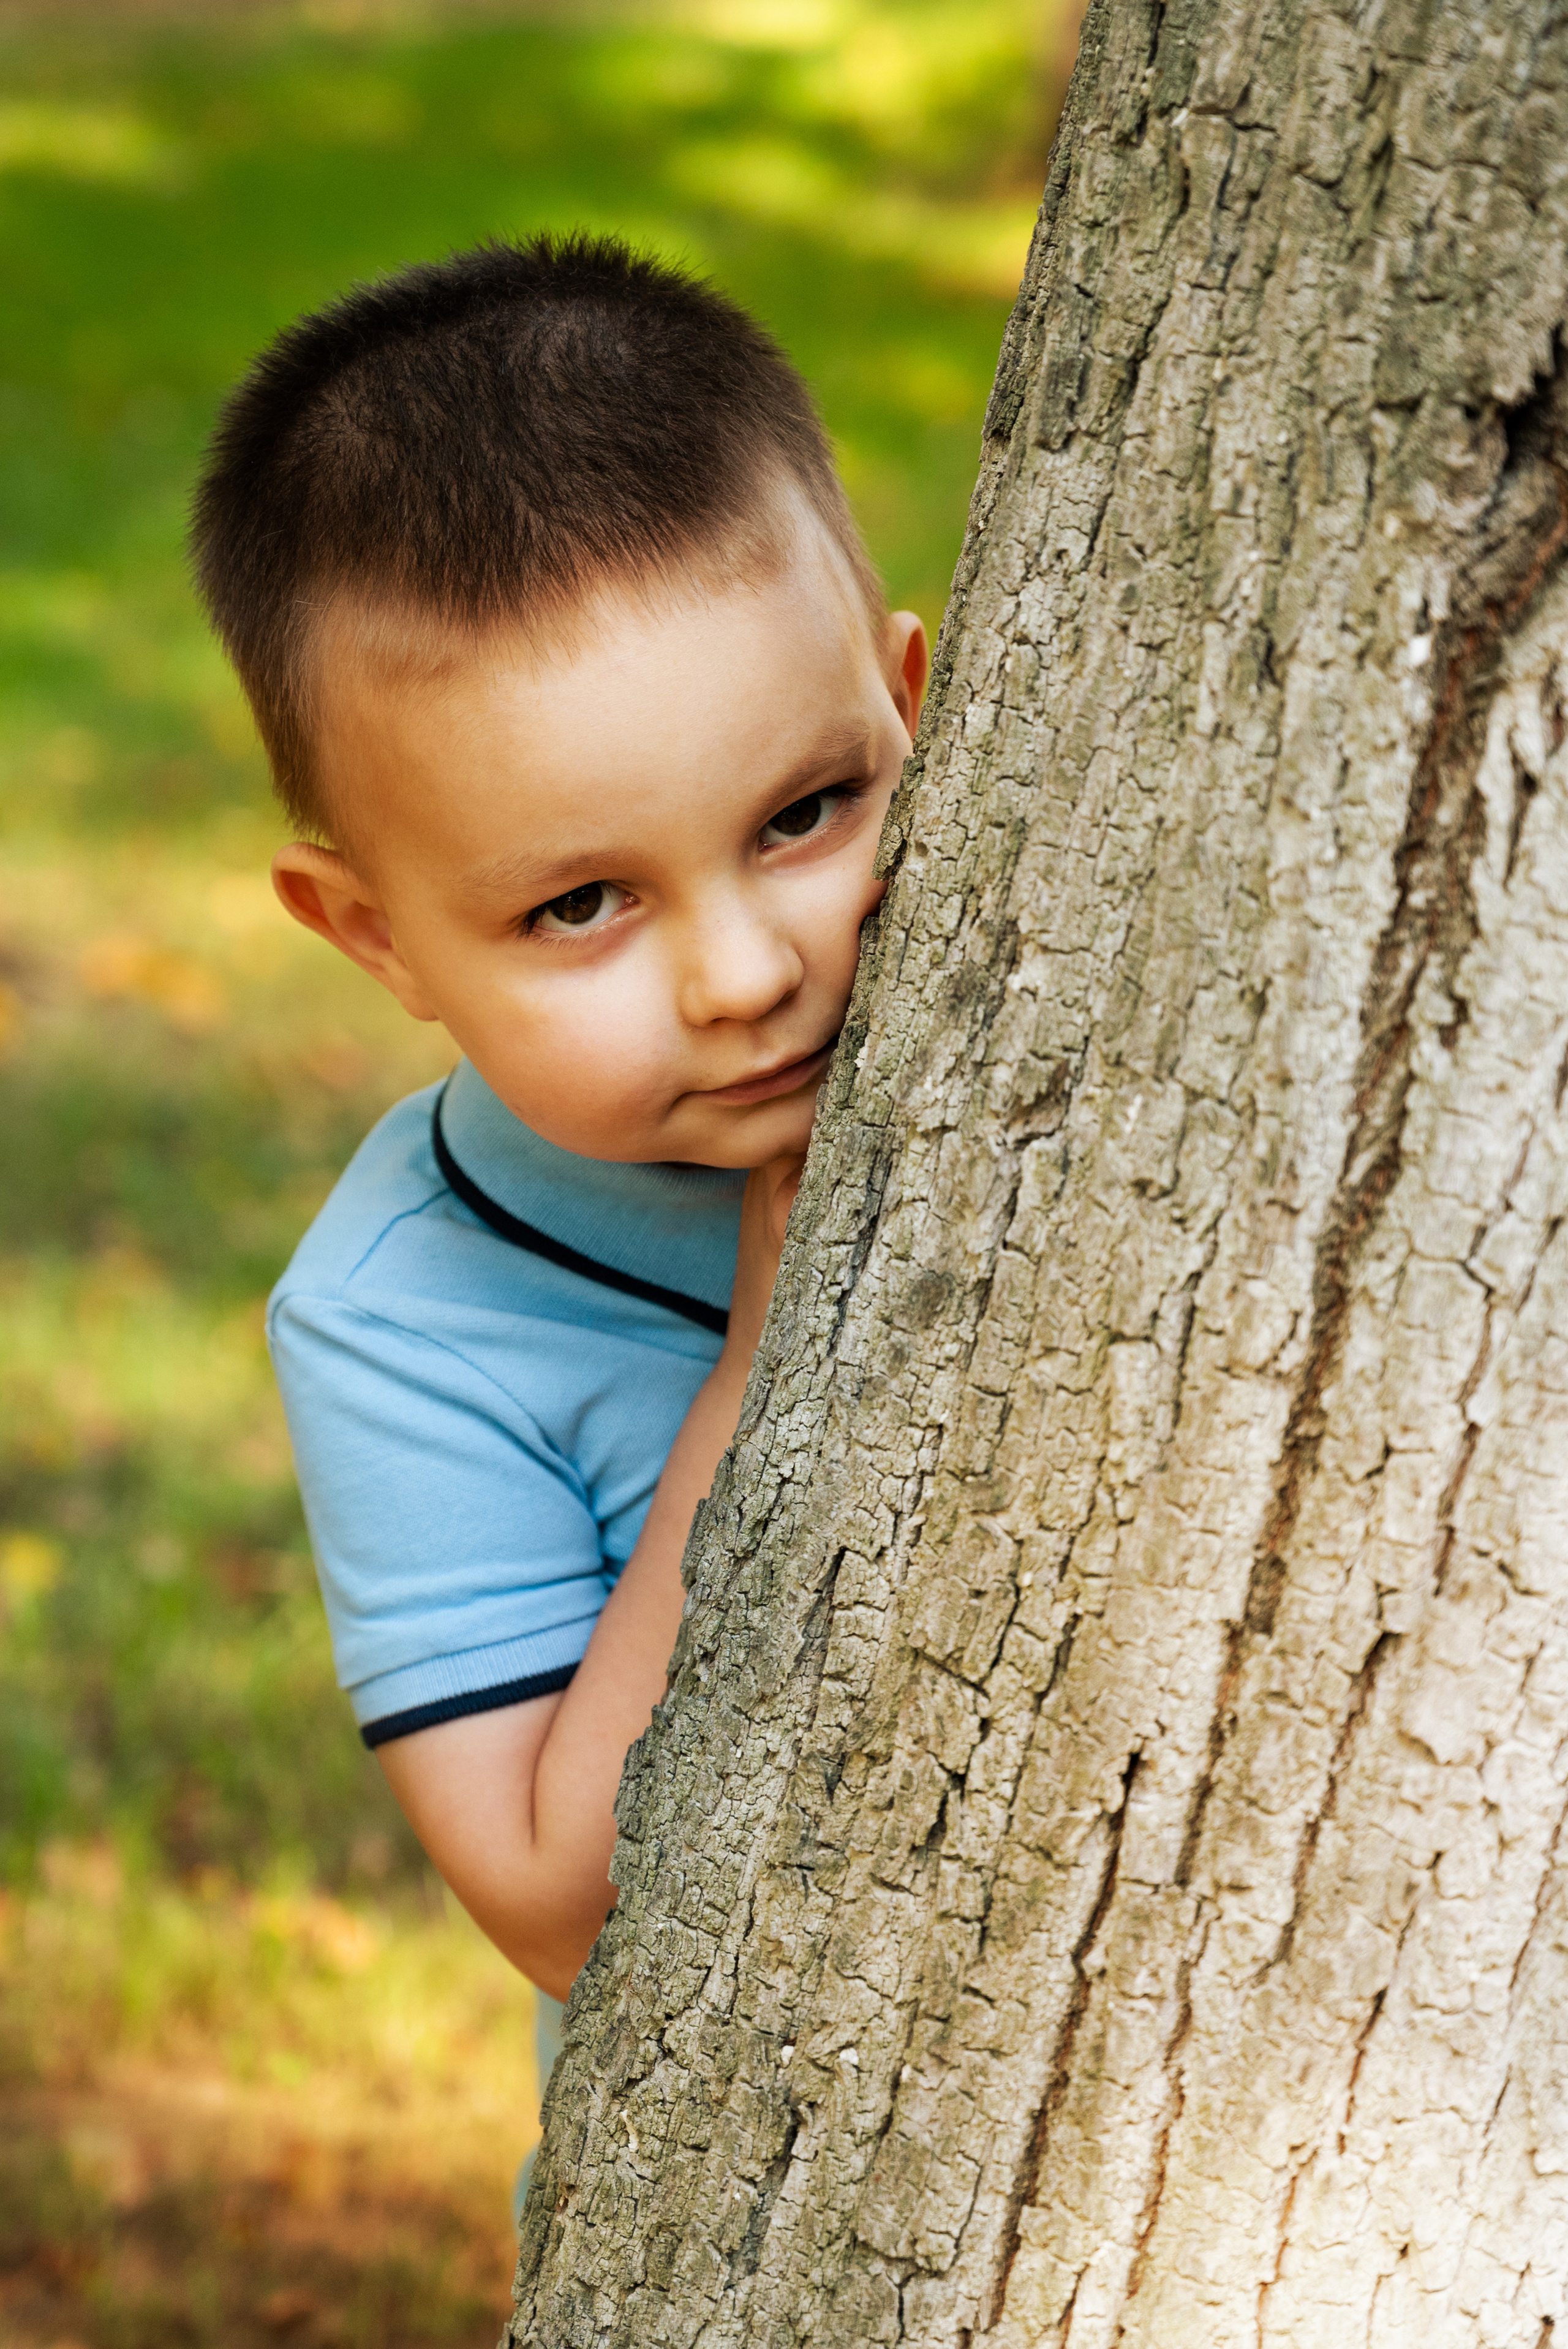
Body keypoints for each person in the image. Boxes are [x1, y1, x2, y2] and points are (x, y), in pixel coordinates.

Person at [189, 234, 927, 2177]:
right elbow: (559, 1902)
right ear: (377, 934)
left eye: (806, 812)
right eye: (579, 904)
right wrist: (770, 1364)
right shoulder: (404, 1323)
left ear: (918, 706)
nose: (747, 972)